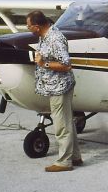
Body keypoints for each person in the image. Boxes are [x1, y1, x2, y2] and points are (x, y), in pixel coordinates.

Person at [26, 10, 82, 172]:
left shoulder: (55, 39)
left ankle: (64, 162)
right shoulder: (44, 36)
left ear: (36, 26)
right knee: (67, 122)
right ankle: (75, 157)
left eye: (29, 26)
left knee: (61, 125)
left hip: (60, 87)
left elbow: (66, 65)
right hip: (54, 86)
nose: (28, 28)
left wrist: (44, 64)